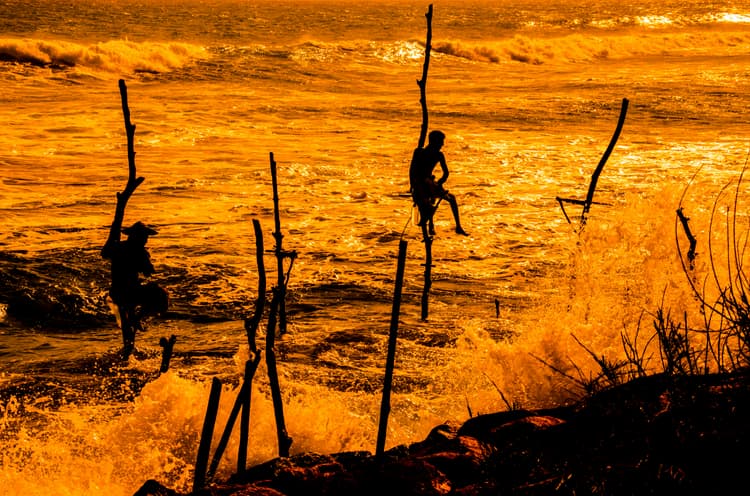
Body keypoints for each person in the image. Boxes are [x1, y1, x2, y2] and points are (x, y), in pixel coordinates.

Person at [102, 220, 168, 358]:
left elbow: (106, 254)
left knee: (127, 319)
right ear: (136, 237)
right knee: (162, 296)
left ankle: (128, 348)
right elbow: (148, 271)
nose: (145, 241)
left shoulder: (119, 247)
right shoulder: (140, 252)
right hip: (130, 291)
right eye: (144, 237)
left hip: (117, 291)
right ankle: (137, 322)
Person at [409, 130, 468, 236]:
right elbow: (412, 170)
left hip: (425, 183)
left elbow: (446, 173)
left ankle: (457, 226)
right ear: (434, 142)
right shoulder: (421, 152)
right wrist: (413, 185)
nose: (442, 144)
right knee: (428, 202)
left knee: (450, 198)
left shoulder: (427, 153)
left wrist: (439, 183)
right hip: (421, 184)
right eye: (441, 142)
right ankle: (430, 224)